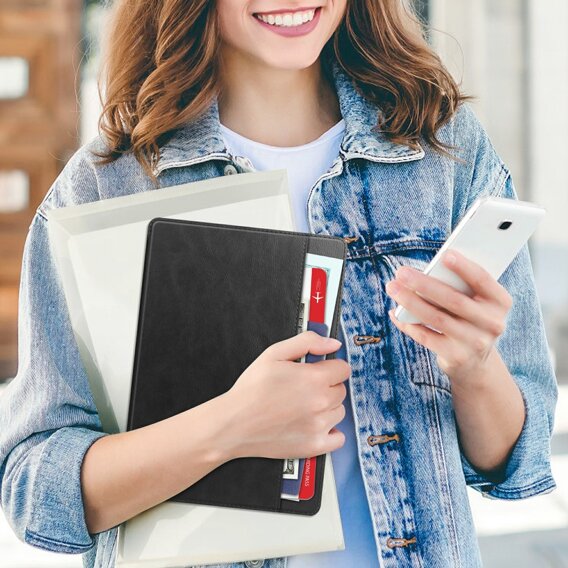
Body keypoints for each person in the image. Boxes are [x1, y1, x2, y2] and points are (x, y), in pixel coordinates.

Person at [0, 0, 558, 567]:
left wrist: (474, 366)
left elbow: (512, 456)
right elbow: (35, 489)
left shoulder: (440, 149)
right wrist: (229, 427)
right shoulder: (110, 183)